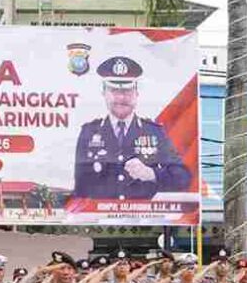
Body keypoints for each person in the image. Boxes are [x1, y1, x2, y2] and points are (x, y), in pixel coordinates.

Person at [73, 56, 191, 200]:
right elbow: (81, 187)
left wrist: (151, 174)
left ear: (136, 94)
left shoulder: (154, 132)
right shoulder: (89, 132)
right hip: (99, 218)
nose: (121, 98)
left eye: (127, 91)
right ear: (104, 93)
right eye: (114, 91)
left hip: (143, 219)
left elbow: (183, 177)